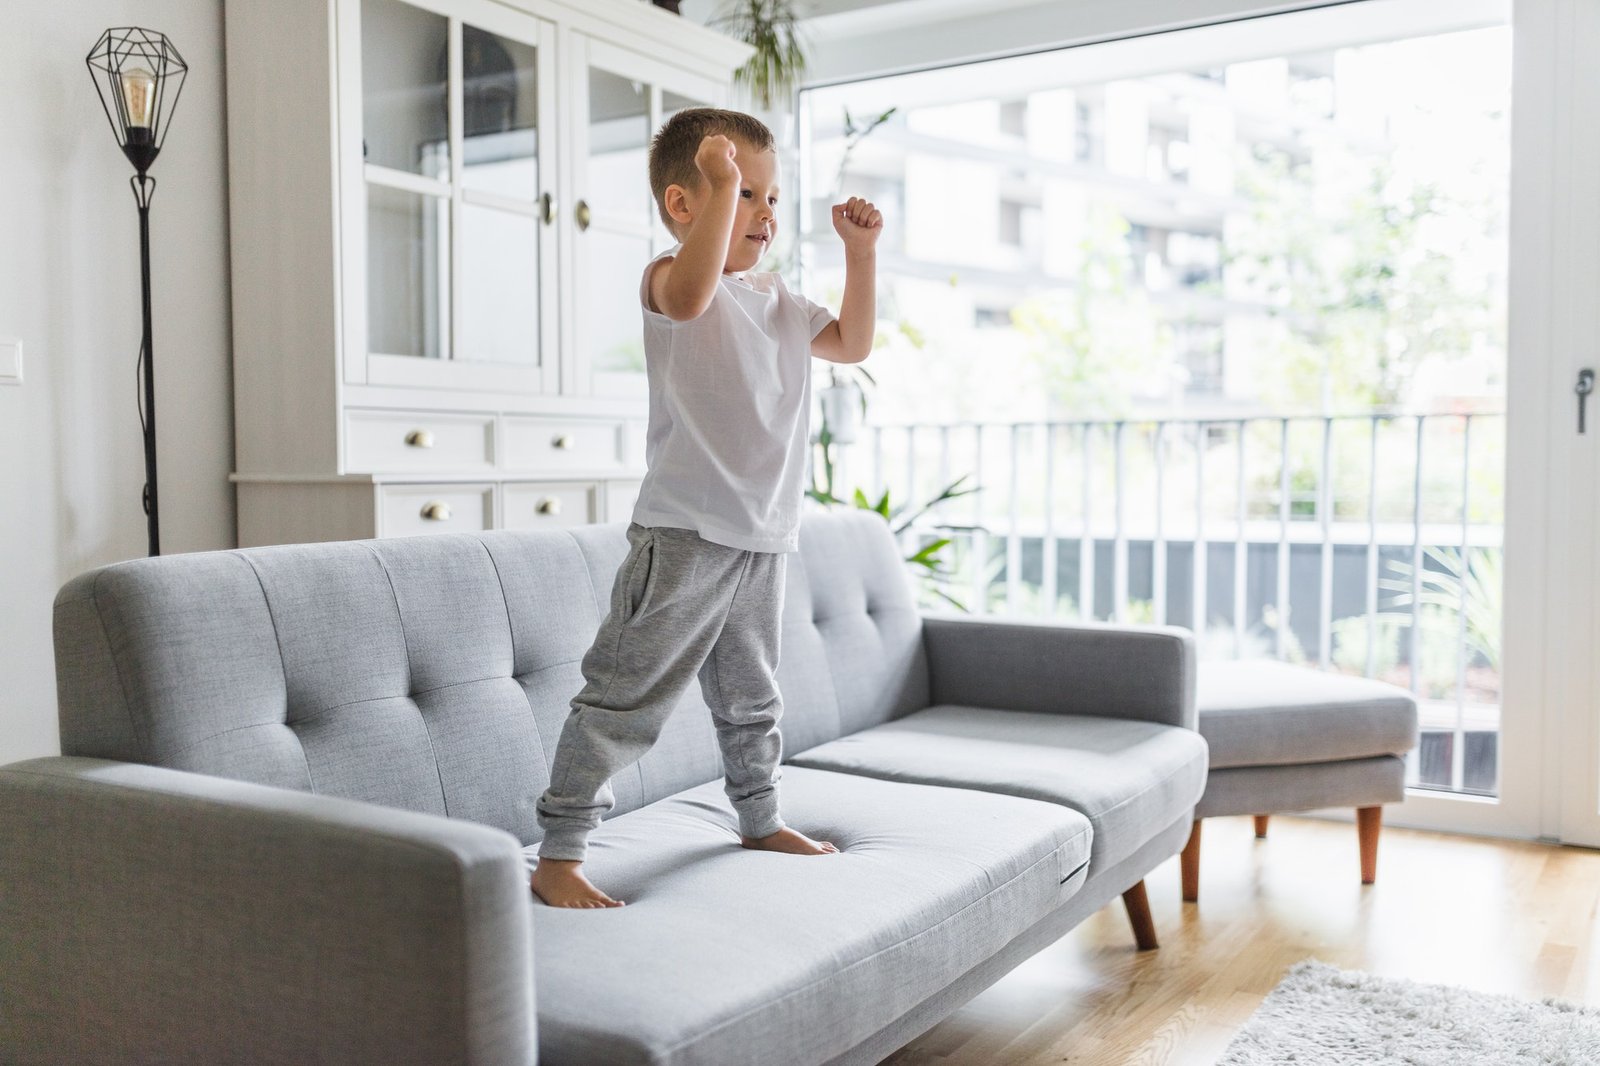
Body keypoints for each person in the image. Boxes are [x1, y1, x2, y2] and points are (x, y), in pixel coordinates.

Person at [530, 107, 882, 908]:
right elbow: (691, 297)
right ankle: (561, 850)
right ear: (684, 205)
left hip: (762, 538)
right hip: (684, 532)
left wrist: (860, 255)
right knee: (628, 694)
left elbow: (854, 344)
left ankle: (759, 818)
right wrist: (725, 186)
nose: (763, 212)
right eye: (741, 191)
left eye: (770, 196)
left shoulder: (781, 301)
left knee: (753, 695)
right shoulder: (670, 278)